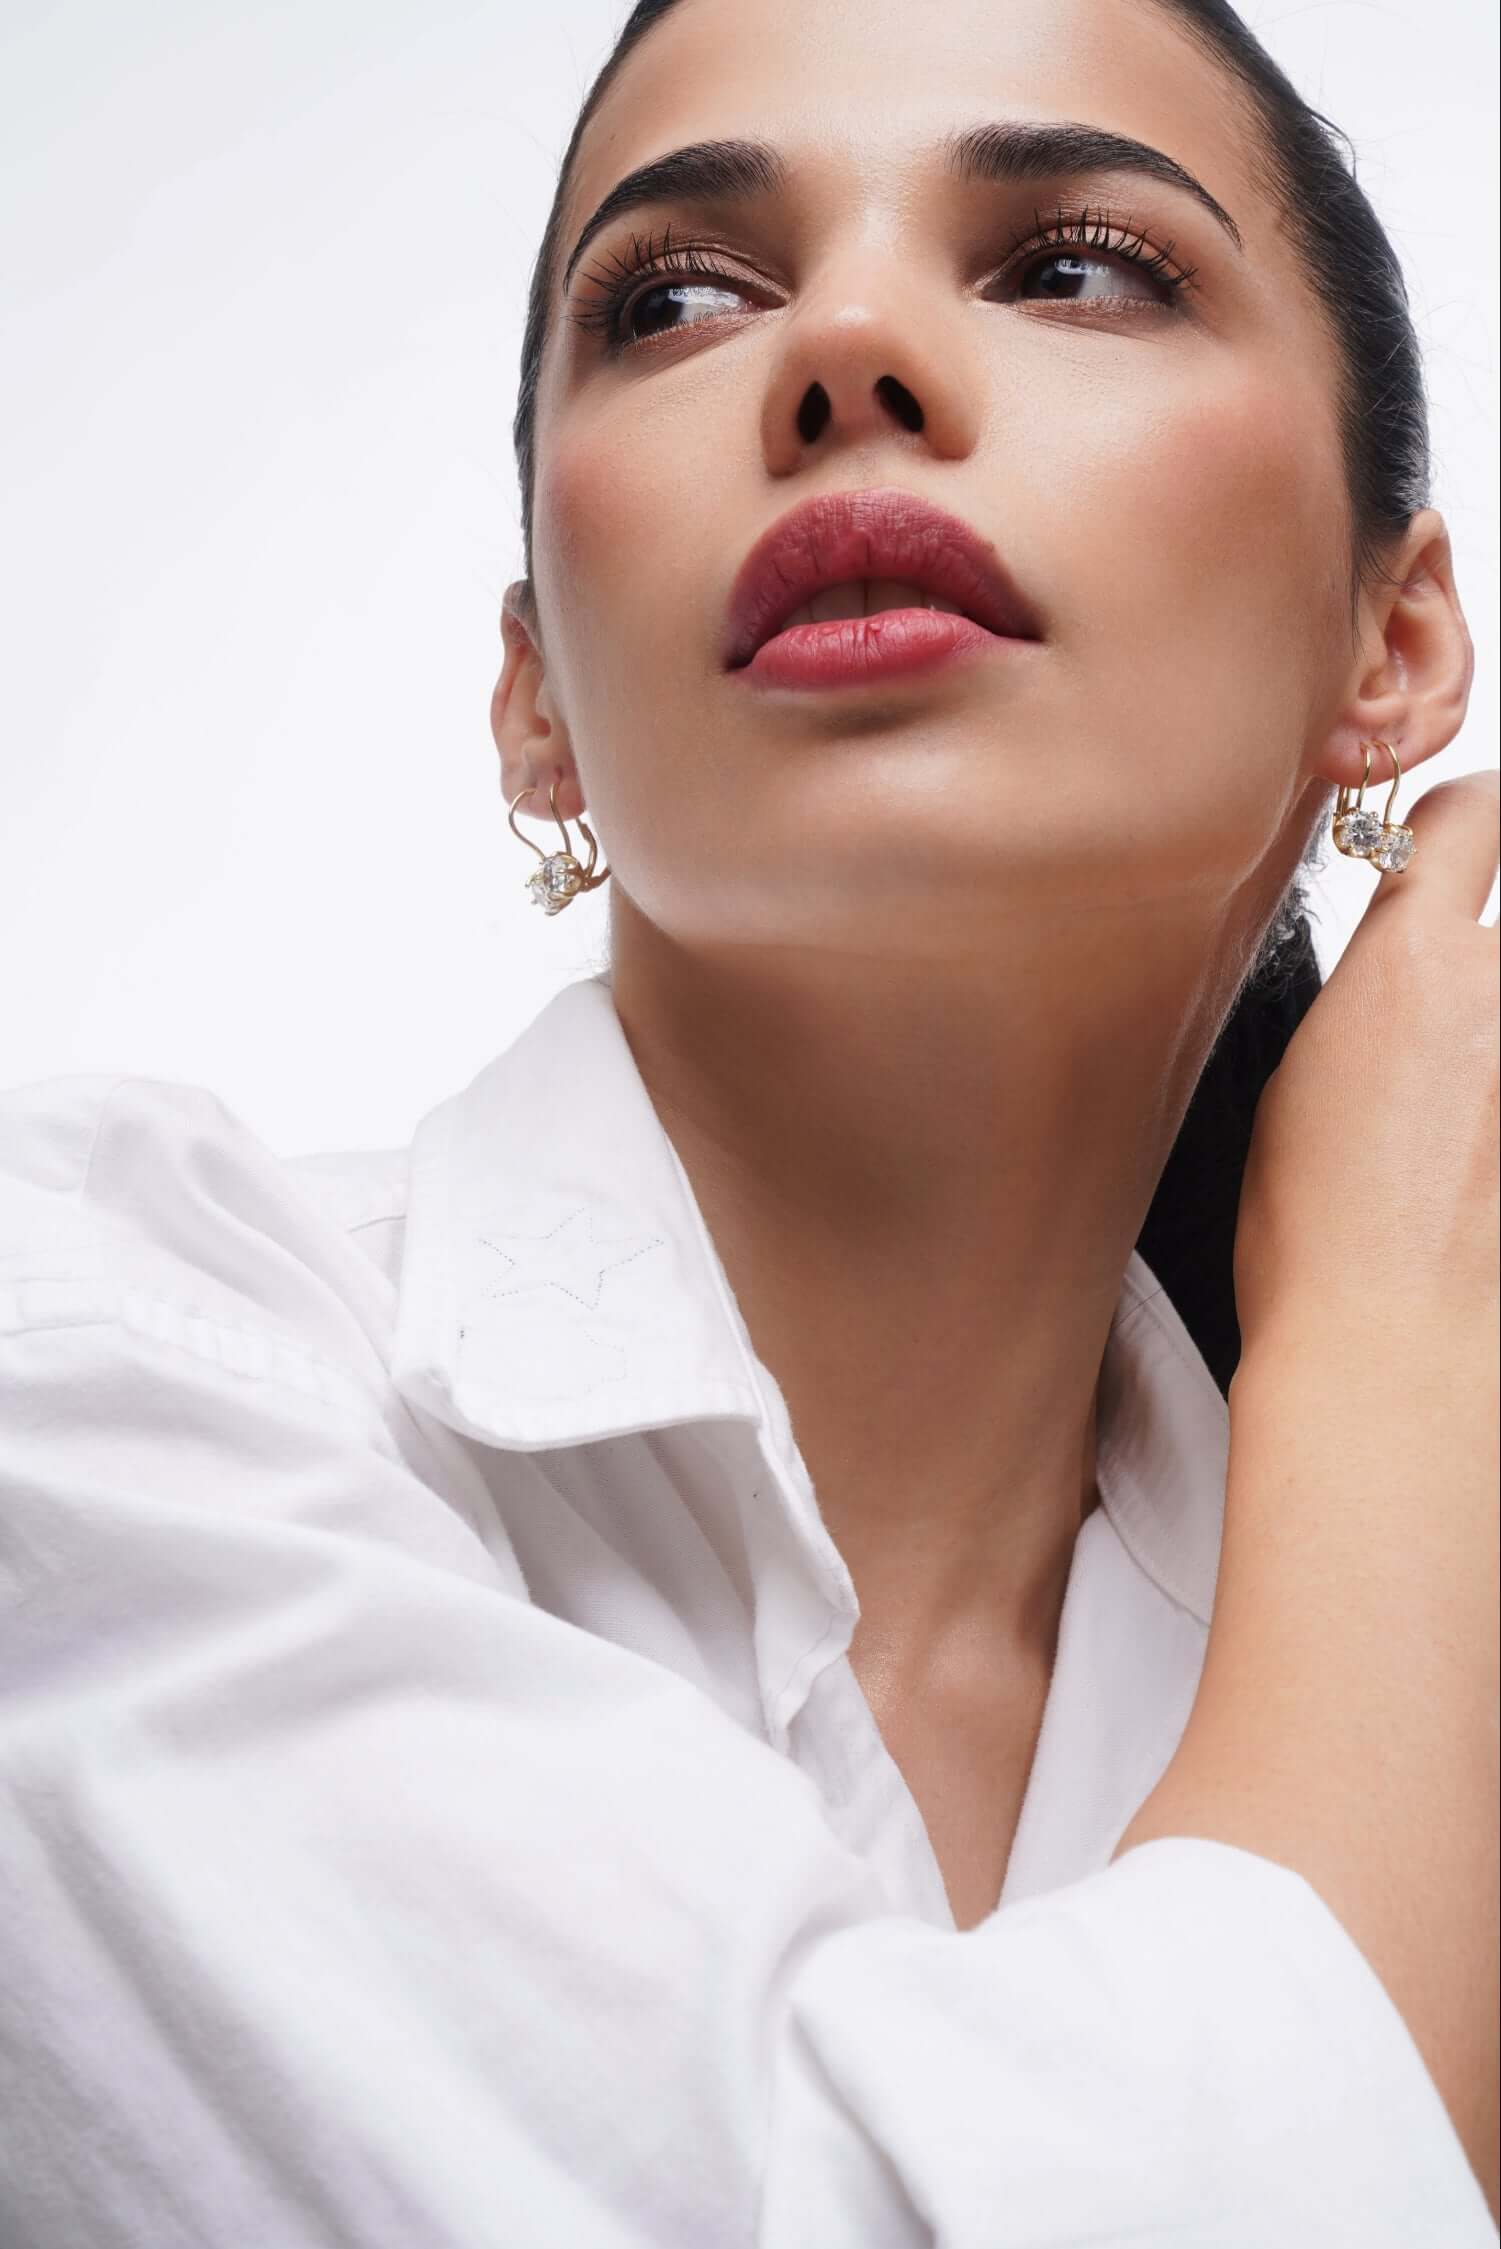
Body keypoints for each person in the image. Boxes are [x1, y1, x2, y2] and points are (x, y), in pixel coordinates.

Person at [1, 0, 1496, 2241]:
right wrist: (1387, 1358)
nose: (847, 350)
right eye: (676, 302)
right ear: (536, 703)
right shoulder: (87, 1356)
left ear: (1392, 643)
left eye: (1076, 264)